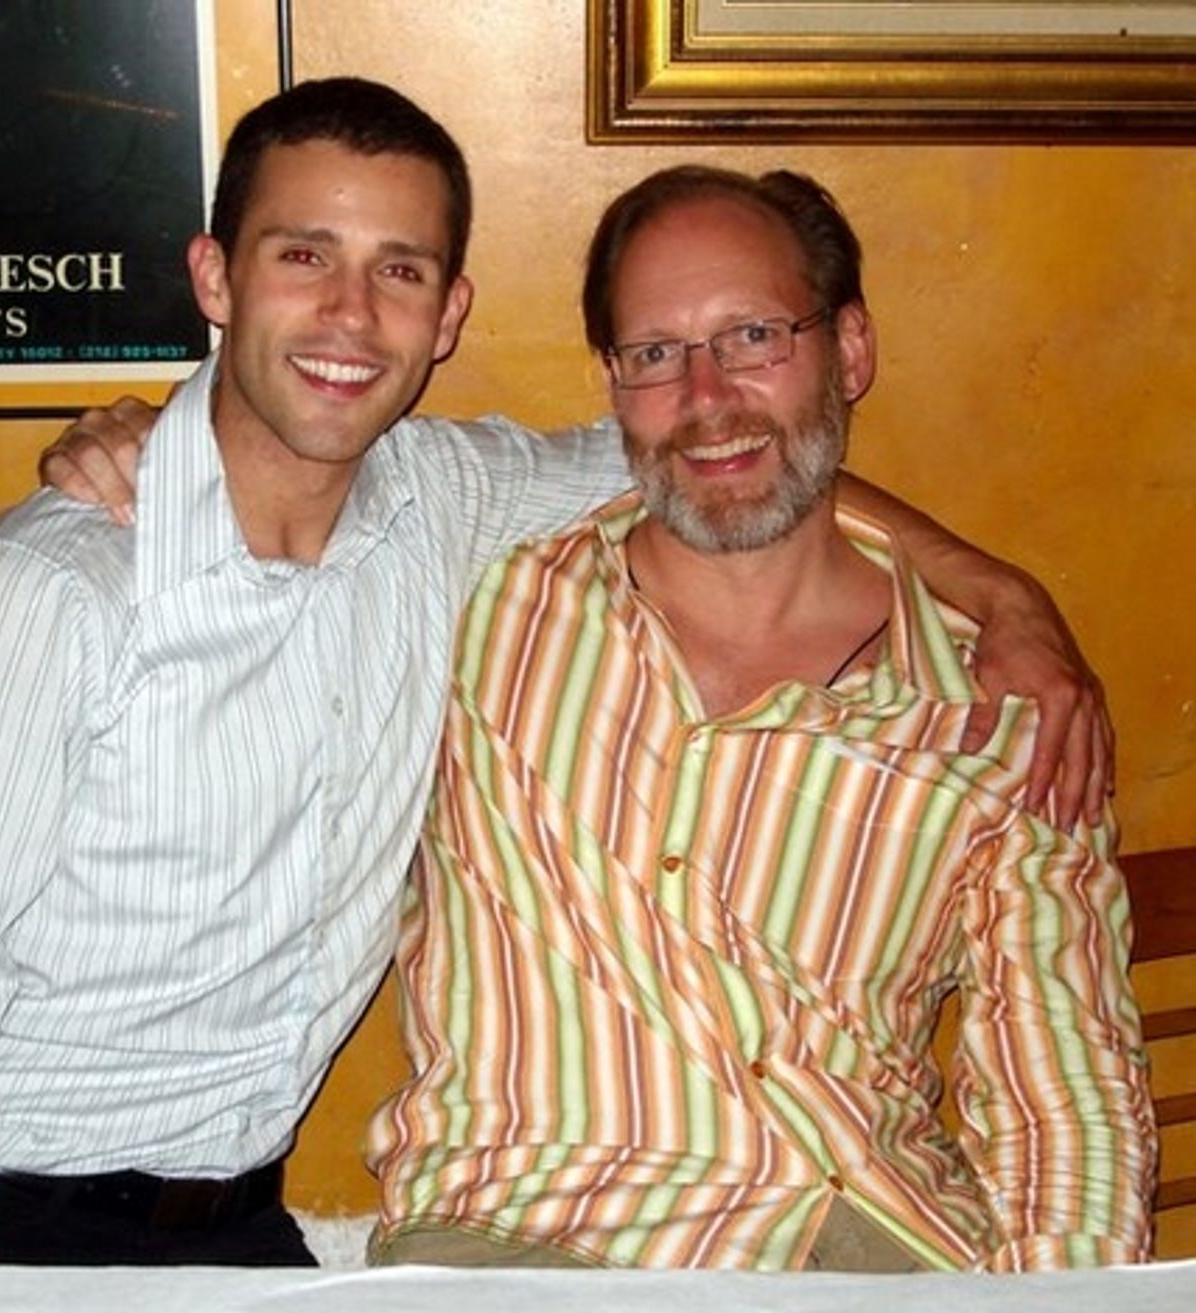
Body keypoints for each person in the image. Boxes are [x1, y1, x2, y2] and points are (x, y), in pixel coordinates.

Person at [0, 76, 641, 1266]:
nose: (350, 316)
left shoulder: (441, 501)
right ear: (215, 278)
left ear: (448, 313)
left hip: (242, 1228)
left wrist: (994, 591)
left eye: (398, 270)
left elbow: (700, 442)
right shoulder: (55, 590)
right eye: (304, 255)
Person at [364, 166, 1154, 1272]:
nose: (704, 396)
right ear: (612, 383)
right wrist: (121, 457)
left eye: (751, 337)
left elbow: (1060, 1088)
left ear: (850, 351)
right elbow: (283, 458)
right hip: (516, 1237)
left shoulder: (1000, 711)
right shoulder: (483, 598)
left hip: (859, 1239)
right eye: (654, 353)